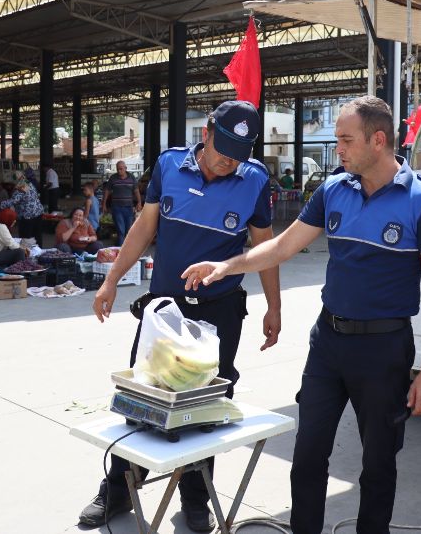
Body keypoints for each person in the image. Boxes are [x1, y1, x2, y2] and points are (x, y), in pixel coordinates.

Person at [181, 96, 421, 534]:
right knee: (307, 456)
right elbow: (284, 245)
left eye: (345, 139)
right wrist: (228, 264)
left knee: (378, 463)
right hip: (327, 344)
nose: (338, 148)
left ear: (378, 140)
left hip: (383, 350)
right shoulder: (333, 190)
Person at [79, 100, 282, 532]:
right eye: (223, 149)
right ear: (206, 132)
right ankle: (116, 489)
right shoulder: (169, 165)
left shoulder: (254, 180)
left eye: (238, 154)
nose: (229, 161)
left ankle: (195, 496)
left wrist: (274, 307)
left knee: (204, 404)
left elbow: (267, 248)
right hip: (165, 308)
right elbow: (143, 230)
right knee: (143, 397)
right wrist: (112, 280)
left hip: (219, 310)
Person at [102, 160, 141, 246]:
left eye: (121, 169)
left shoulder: (132, 178)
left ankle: (127, 249)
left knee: (128, 230)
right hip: (117, 208)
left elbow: (136, 190)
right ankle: (120, 251)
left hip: (129, 208)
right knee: (121, 230)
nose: (119, 171)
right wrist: (104, 204)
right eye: (117, 169)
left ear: (125, 168)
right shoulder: (113, 178)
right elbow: (107, 191)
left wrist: (139, 202)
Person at [0, 174, 44, 246]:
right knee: (37, 235)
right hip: (38, 212)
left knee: (26, 238)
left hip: (27, 216)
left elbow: (13, 201)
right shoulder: (29, 183)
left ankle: (27, 254)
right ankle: (39, 251)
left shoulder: (21, 187)